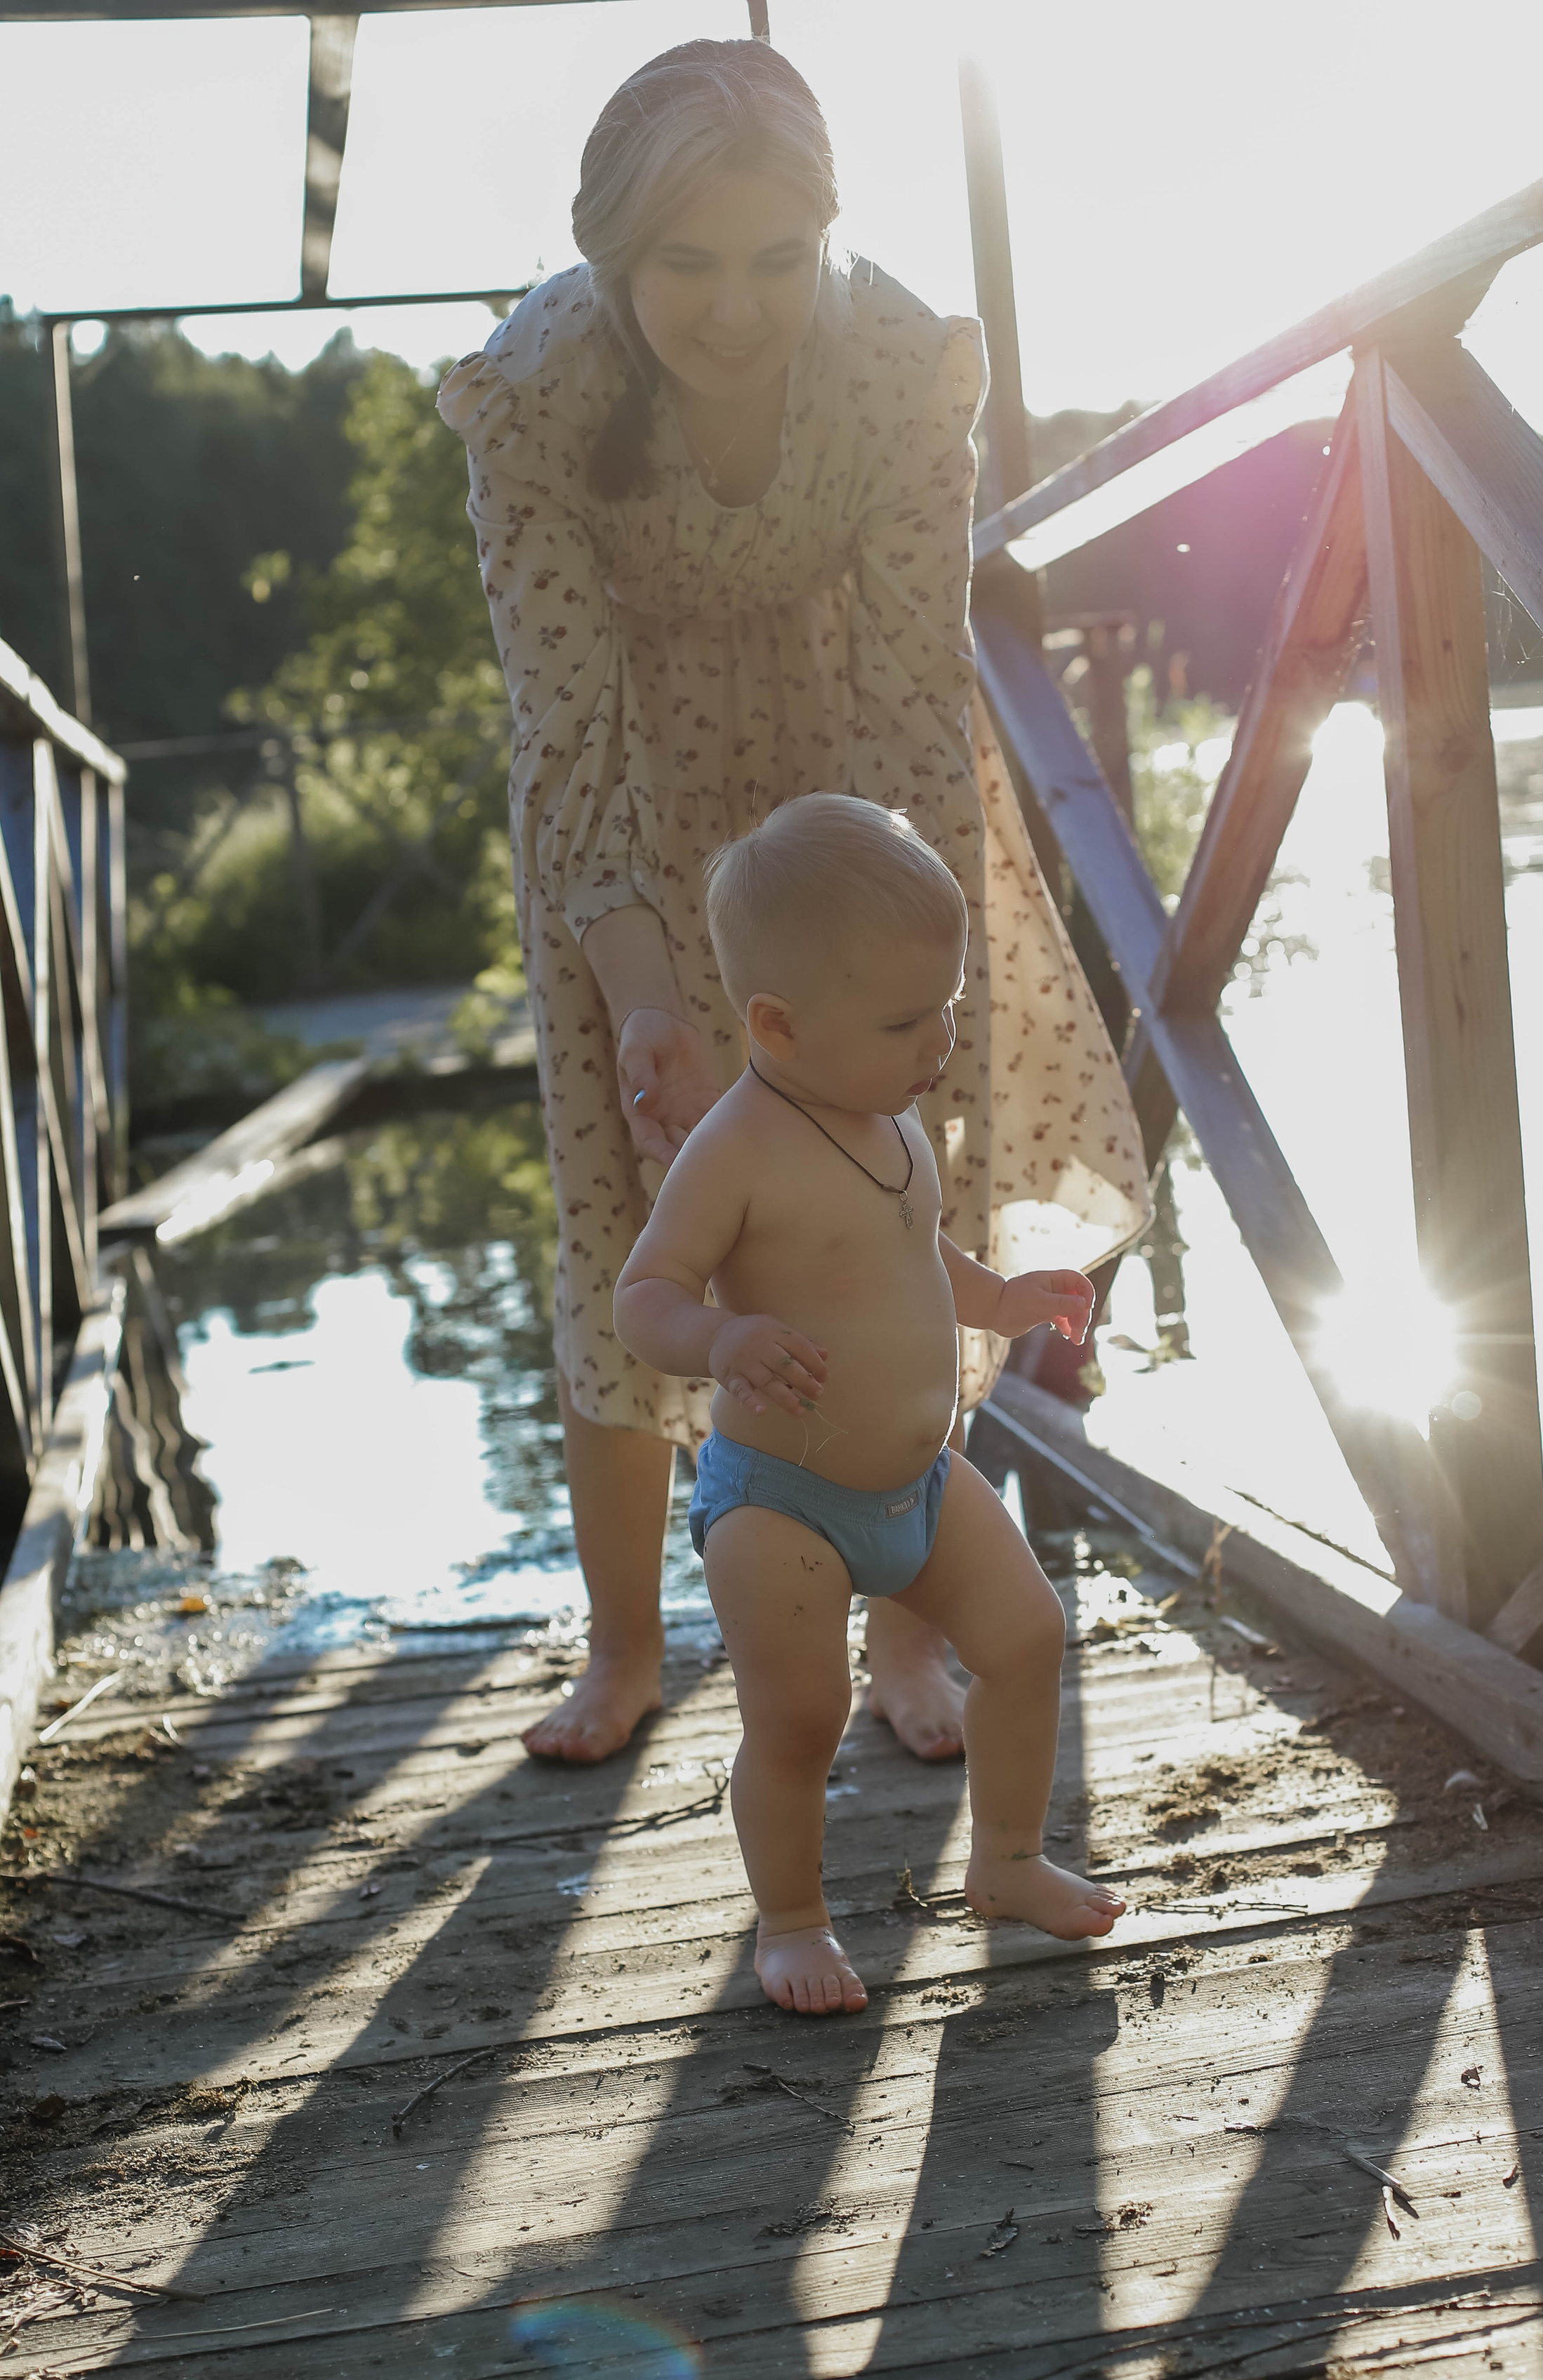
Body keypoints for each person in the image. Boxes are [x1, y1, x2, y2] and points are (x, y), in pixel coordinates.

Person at [439, 37, 1147, 1771]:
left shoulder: (905, 361)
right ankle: (626, 1648)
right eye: (684, 264)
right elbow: (566, 714)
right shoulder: (531, 393)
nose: (733, 309)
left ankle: (907, 1627)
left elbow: (915, 673)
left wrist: (888, 926)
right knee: (628, 1214)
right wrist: (644, 1000)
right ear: (612, 249)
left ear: (824, 239)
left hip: (848, 775)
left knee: (894, 1196)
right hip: (627, 804)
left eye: (773, 260)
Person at [614, 796, 1128, 2014]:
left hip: (919, 1477)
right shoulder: (735, 1149)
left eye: (946, 1006)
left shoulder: (891, 1115)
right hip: (783, 1501)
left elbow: (913, 1250)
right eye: (907, 1019)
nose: (939, 1038)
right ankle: (791, 1922)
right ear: (777, 1027)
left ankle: (1005, 1862)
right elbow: (644, 1296)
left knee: (1026, 1638)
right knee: (800, 1716)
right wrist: (721, 1335)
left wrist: (998, 1299)